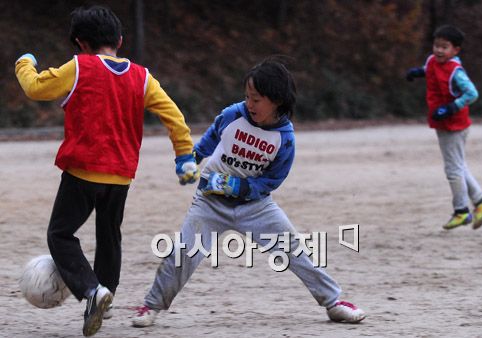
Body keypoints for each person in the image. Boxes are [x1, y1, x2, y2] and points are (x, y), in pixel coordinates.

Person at [131, 58, 366, 328]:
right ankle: (151, 305)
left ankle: (334, 302)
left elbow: (271, 181)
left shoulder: (285, 139)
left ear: (276, 99)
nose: (250, 104)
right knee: (185, 252)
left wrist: (240, 187)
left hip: (256, 206)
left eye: (257, 99)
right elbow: (210, 138)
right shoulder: (233, 114)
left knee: (294, 249)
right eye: (247, 97)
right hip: (210, 202)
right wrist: (191, 159)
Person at [14, 5, 199, 337]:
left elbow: (35, 88)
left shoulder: (79, 67)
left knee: (60, 234)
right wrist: (184, 154)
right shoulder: (142, 77)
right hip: (120, 176)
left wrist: (24, 63)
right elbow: (173, 114)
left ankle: (91, 290)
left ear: (81, 44)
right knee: (109, 236)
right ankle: (105, 295)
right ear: (121, 40)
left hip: (82, 171)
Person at [406, 25, 482, 230]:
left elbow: (472, 94)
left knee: (453, 169)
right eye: (436, 45)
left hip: (454, 124)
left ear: (455, 50)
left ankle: (462, 211)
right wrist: (419, 72)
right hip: (442, 122)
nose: (438, 50)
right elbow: (432, 71)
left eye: (444, 47)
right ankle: (481, 202)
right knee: (459, 165)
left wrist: (451, 108)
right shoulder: (432, 61)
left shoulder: (456, 71)